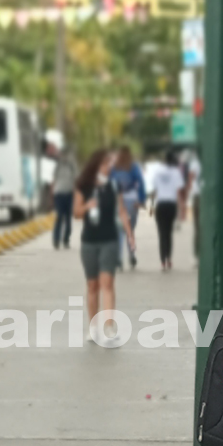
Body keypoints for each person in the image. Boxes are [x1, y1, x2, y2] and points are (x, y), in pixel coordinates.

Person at [74, 150, 134, 342]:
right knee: (92, 285)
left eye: (110, 164)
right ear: (96, 165)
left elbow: (122, 211)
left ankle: (109, 327)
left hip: (109, 240)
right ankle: (93, 328)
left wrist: (130, 234)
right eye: (105, 164)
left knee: (107, 283)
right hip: (89, 242)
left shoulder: (114, 186)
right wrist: (86, 207)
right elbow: (76, 213)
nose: (109, 167)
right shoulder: (83, 186)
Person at [149, 150, 186, 270]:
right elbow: (178, 192)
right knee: (169, 233)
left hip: (161, 204)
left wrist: (151, 205)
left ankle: (162, 261)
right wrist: (182, 208)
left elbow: (154, 190)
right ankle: (169, 258)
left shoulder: (158, 172)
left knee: (161, 233)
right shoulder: (176, 172)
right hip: (171, 205)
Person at [111, 146, 145, 269]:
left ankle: (118, 259)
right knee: (130, 229)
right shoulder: (133, 166)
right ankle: (131, 255)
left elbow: (110, 183)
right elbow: (140, 182)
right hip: (132, 200)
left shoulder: (115, 167)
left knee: (119, 230)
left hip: (118, 201)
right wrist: (141, 199)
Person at [52, 147, 77, 250]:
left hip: (69, 194)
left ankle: (66, 239)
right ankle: (56, 240)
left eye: (67, 155)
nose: (65, 157)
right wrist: (52, 193)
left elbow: (76, 179)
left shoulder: (72, 166)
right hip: (59, 194)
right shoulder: (58, 165)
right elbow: (54, 179)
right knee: (59, 217)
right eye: (63, 154)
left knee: (68, 219)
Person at [186, 150, 202, 259]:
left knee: (197, 227)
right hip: (207, 196)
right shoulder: (211, 162)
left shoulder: (195, 163)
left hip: (197, 195)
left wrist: (189, 193)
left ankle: (197, 254)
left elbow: (190, 179)